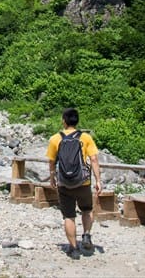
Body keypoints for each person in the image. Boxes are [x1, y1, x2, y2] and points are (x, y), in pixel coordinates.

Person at [47, 107, 102, 259]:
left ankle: (74, 248)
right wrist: (98, 180)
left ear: (64, 121)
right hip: (83, 182)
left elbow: (52, 162)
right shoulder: (85, 138)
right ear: (77, 121)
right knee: (87, 209)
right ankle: (86, 234)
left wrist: (52, 178)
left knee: (69, 216)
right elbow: (94, 159)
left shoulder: (55, 139)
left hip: (64, 183)